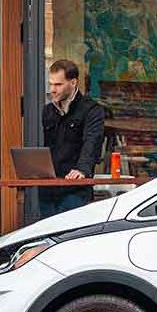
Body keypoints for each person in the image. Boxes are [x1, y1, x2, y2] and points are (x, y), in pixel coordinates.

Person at [39, 59, 106, 217]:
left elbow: (92, 141)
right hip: (47, 188)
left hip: (75, 189)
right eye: (50, 84)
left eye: (58, 85)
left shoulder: (91, 110)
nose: (52, 90)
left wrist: (82, 168)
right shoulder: (48, 111)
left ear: (73, 82)